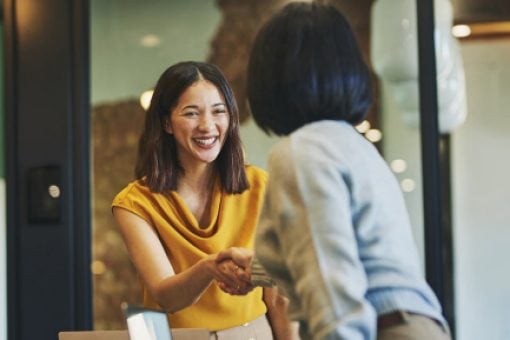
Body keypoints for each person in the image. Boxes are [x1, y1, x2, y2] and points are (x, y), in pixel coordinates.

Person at [243, 2, 451, 340]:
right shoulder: (353, 146)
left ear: (272, 77)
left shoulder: (301, 152)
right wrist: (254, 268)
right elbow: (354, 252)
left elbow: (332, 289)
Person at [112, 61, 290, 339]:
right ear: (166, 123)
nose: (207, 126)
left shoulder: (260, 185)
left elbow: (279, 296)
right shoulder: (134, 203)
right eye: (191, 113)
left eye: (219, 111)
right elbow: (166, 296)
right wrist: (211, 267)